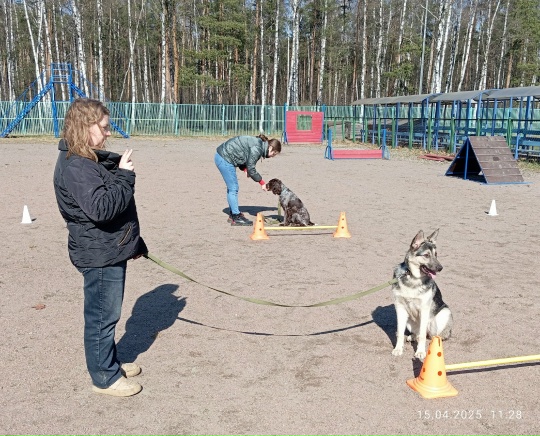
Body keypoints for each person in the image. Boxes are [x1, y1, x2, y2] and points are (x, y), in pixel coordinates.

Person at [53, 98, 147, 397]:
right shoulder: (77, 166)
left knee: (107, 315)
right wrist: (125, 175)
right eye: (104, 127)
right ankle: (104, 377)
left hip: (107, 247)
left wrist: (133, 243)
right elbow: (102, 209)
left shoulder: (86, 160)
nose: (108, 133)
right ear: (85, 126)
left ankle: (108, 363)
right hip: (99, 254)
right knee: (102, 318)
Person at [214, 134, 281, 226]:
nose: (272, 156)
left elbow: (241, 153)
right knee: (233, 188)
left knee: (232, 188)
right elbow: (251, 169)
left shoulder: (259, 144)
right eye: (273, 154)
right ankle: (236, 217)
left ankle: (233, 214)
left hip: (223, 155)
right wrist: (262, 183)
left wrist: (245, 169)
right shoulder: (257, 148)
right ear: (270, 148)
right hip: (224, 158)